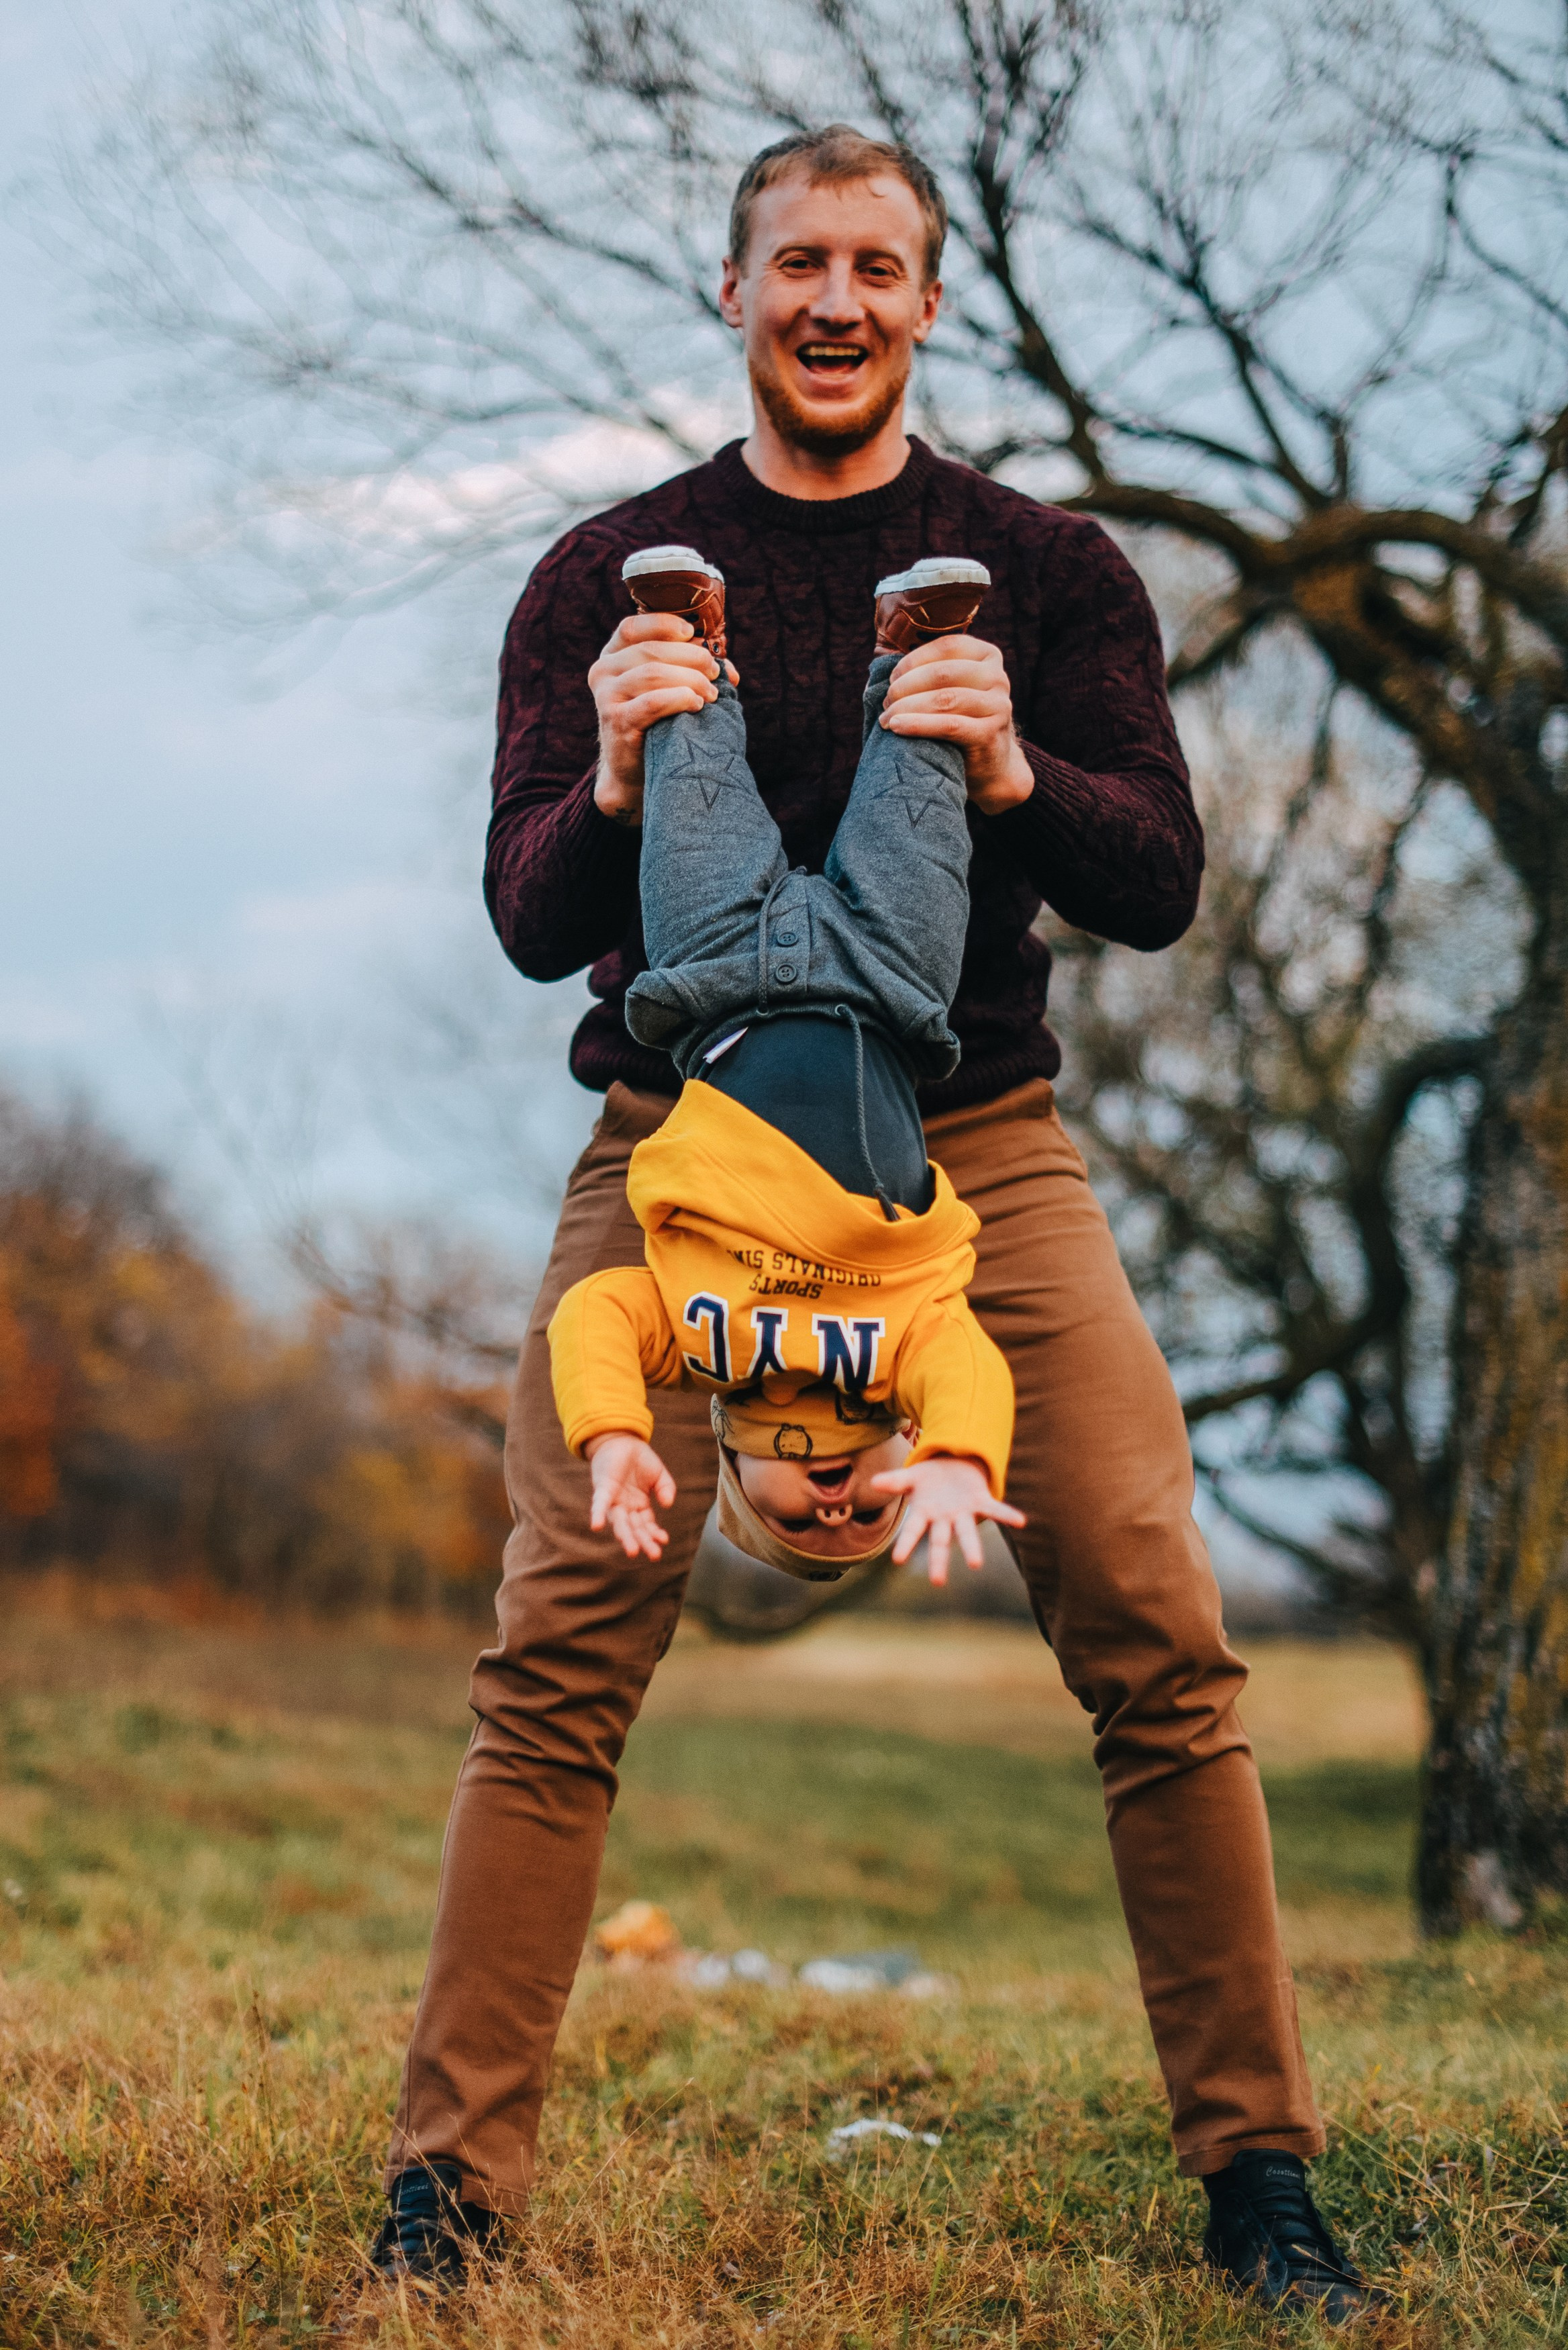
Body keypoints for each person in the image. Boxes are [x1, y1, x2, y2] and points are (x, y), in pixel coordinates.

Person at [369, 124, 1387, 2322]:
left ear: (930, 301)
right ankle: (447, 2198)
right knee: (557, 1639)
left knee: (1153, 1618)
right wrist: (626, 777)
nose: (836, 299)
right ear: (728, 292)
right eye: (797, 262)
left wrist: (1012, 769)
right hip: (680, 1154)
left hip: (971, 1159)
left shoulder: (1046, 565)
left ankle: (1260, 2177)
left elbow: (1156, 882)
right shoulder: (599, 571)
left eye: (878, 266)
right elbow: (532, 916)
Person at [551, 544, 1024, 1593]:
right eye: (874, 1516)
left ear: (732, 1471)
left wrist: (611, 1434)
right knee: (922, 800)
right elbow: (967, 1370)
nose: (841, 1506)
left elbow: (595, 1317)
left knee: (693, 795)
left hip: (714, 982)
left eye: (809, 1529)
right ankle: (920, 643)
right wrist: (956, 1455)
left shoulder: (702, 1347)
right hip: (892, 986)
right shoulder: (906, 1354)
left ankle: (688, 644)